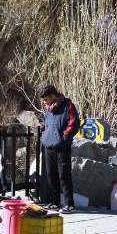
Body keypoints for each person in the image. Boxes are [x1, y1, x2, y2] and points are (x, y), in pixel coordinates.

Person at [40, 84, 80, 214]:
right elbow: (47, 124)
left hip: (62, 146)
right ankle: (54, 202)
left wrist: (63, 138)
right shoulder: (48, 109)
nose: (45, 102)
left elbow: (74, 122)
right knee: (51, 175)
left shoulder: (67, 105)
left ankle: (69, 204)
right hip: (48, 146)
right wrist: (44, 134)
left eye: (46, 99)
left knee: (64, 175)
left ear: (53, 95)